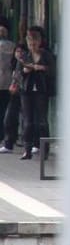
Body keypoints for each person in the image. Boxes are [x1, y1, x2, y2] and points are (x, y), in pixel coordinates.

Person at [16, 25, 54, 160]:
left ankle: (44, 150)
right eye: (30, 42)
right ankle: (27, 150)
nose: (32, 44)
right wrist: (24, 71)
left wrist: (42, 68)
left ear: (39, 41)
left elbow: (53, 71)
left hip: (41, 90)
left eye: (35, 41)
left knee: (42, 121)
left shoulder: (46, 55)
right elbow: (18, 74)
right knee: (28, 121)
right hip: (26, 91)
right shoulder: (24, 56)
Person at [0, 22, 14, 153]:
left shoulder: (10, 46)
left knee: (5, 110)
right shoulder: (12, 46)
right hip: (7, 82)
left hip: (7, 82)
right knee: (5, 110)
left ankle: (4, 136)